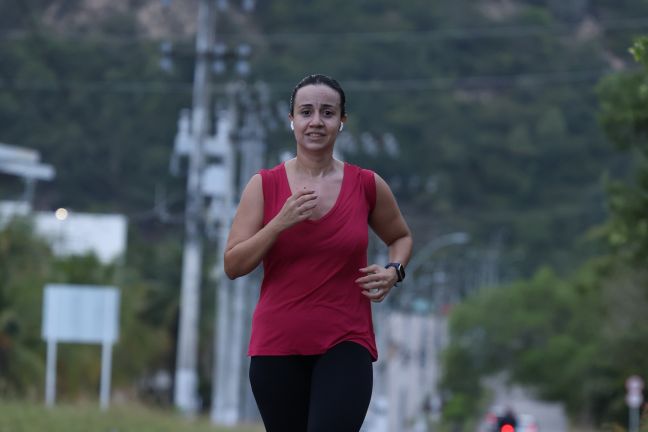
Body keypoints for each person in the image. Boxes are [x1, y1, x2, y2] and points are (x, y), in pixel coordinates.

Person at [223, 73, 413, 432]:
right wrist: (280, 222)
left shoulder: (367, 184)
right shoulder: (264, 185)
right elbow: (233, 264)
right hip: (277, 345)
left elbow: (401, 237)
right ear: (291, 119)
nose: (316, 122)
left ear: (342, 121)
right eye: (306, 112)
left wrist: (394, 270)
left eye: (327, 113)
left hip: (346, 340)